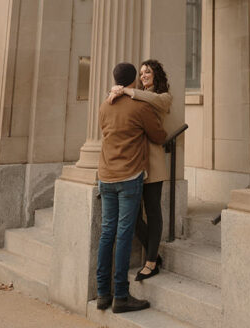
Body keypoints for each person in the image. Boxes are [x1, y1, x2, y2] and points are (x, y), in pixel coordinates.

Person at [96, 61, 167, 314]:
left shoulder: (105, 105)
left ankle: (103, 293)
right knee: (123, 234)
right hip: (129, 177)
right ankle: (121, 296)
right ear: (133, 82)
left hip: (105, 176)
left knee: (107, 234)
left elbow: (106, 132)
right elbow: (159, 136)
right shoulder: (139, 107)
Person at [109, 58, 173, 281]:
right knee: (133, 216)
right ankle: (154, 251)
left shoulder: (162, 98)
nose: (144, 75)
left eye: (149, 72)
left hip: (153, 162)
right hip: (133, 161)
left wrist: (125, 91)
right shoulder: (134, 96)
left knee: (153, 211)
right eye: (142, 72)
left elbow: (153, 100)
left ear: (157, 75)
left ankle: (151, 262)